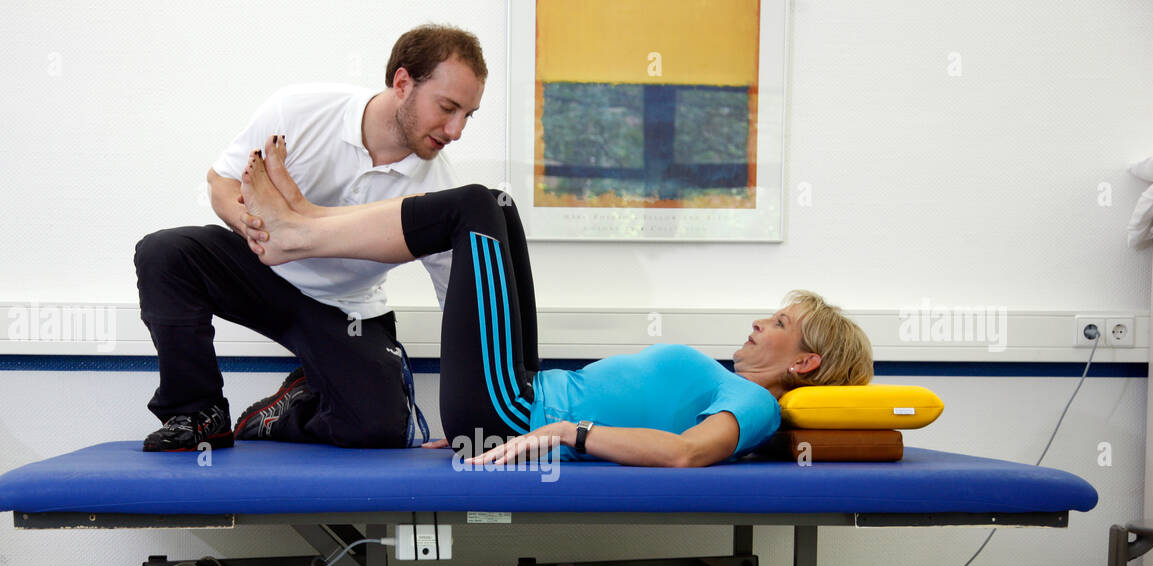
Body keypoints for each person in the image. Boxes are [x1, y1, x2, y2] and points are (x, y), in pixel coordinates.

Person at [238, 143, 875, 467]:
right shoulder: (732, 385)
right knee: (498, 206)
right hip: (513, 399)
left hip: (515, 409)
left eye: (781, 325)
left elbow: (687, 455)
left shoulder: (756, 403)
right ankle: (305, 223)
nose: (760, 323)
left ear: (806, 364)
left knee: (475, 208)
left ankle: (301, 228)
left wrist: (565, 431)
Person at [133, 24, 487, 451]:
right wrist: (246, 221)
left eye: (467, 115)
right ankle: (197, 414)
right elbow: (221, 182)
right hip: (262, 272)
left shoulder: (441, 192)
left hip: (347, 309)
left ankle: (294, 403)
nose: (455, 131)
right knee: (165, 253)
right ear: (402, 82)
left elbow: (462, 308)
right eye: (447, 107)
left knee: (379, 428)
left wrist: (476, 418)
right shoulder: (299, 110)